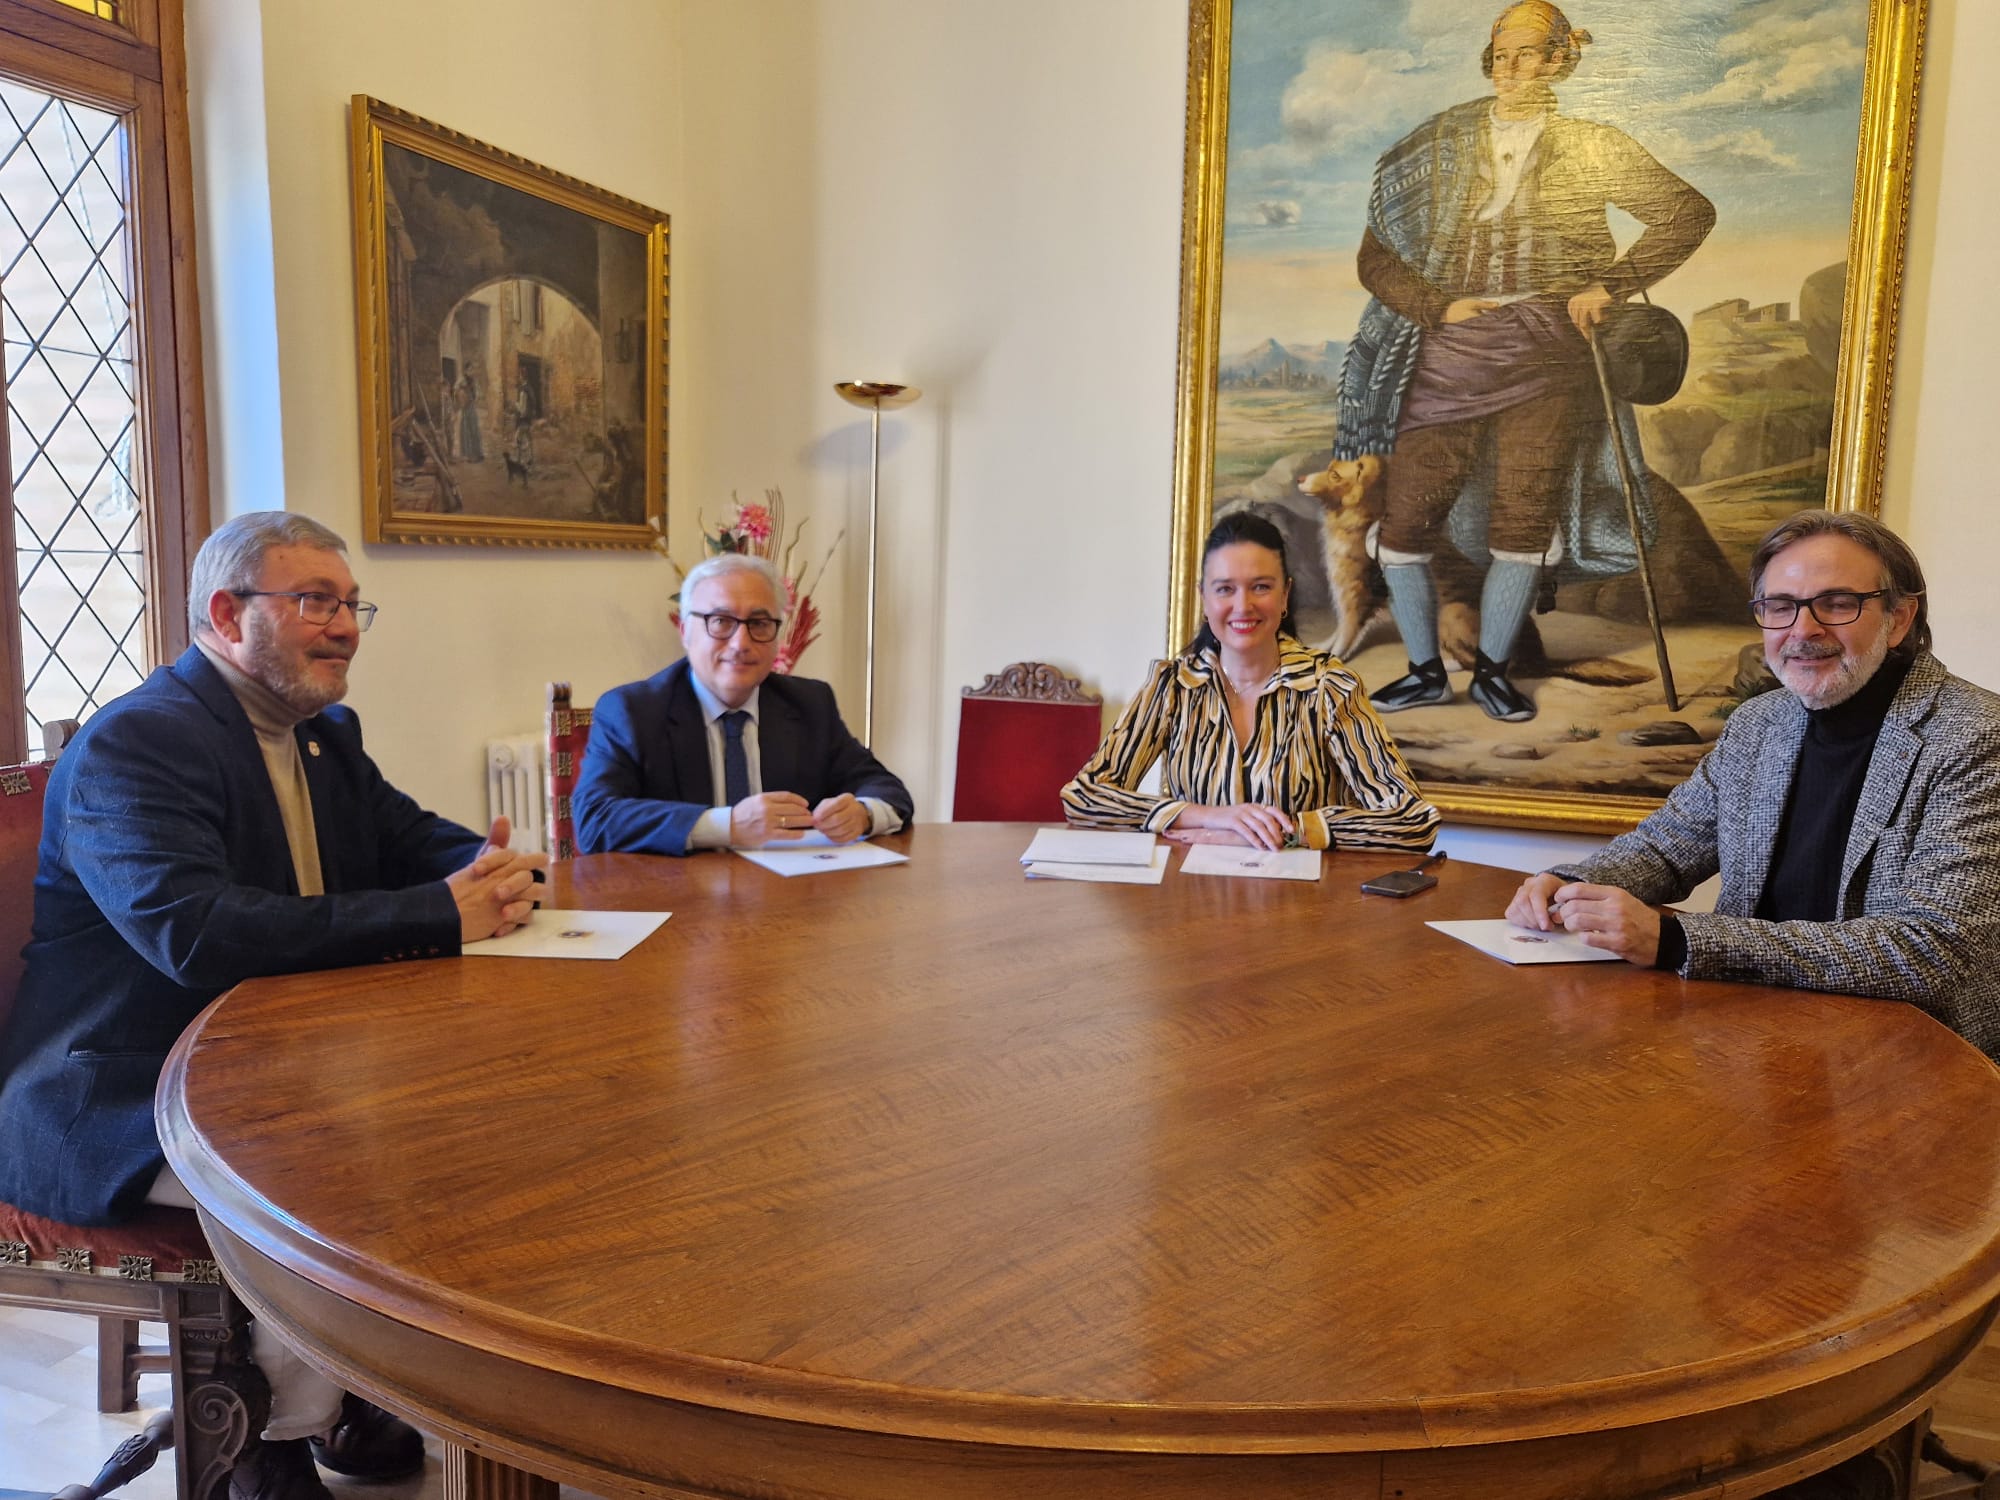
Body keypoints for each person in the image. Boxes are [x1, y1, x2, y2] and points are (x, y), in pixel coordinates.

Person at [0, 511, 546, 1498]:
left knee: (458, 1123)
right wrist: (440, 913)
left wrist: (496, 869)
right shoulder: (140, 744)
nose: (343, 628)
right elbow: (193, 932)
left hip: (268, 1062)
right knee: (333, 1174)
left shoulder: (322, 734)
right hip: (119, 1091)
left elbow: (408, 837)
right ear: (226, 614)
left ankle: (357, 1392)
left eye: (351, 606)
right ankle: (271, 1436)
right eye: (314, 602)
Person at [1504, 510, 2000, 1059]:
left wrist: (1676, 941)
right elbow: (1666, 847)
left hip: (1908, 1057)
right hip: (1750, 1032)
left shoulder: (1977, 735)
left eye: (1837, 604)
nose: (1803, 630)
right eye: (1780, 606)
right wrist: (1568, 883)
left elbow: (1933, 948)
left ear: (1900, 618)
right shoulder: (1758, 722)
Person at [1340, 1, 1714, 722]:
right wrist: (1437, 307)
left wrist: (1610, 286)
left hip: (1550, 353)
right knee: (1407, 521)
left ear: (1559, 60)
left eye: (1529, 54)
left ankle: (1493, 675)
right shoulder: (1436, 144)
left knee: (1524, 518)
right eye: (1502, 54)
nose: (1512, 68)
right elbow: (1376, 257)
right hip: (1450, 353)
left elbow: (1688, 213)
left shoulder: (1594, 145)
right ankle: (1423, 671)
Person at [1061, 511, 1439, 852]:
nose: (1243, 606)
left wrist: (1290, 832)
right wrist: (1207, 816)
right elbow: (1084, 796)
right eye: (1225, 588)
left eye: (1260, 587)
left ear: (1285, 595)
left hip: (1304, 902)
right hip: (1189, 898)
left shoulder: (1330, 688)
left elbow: (1413, 820)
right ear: (1204, 599)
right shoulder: (1171, 687)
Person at [574, 552, 914, 855]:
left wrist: (863, 813)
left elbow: (887, 789)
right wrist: (727, 825)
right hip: (679, 897)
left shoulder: (809, 704)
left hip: (788, 896)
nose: (740, 643)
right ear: (685, 631)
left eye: (759, 624)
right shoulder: (632, 711)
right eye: (721, 621)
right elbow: (594, 820)